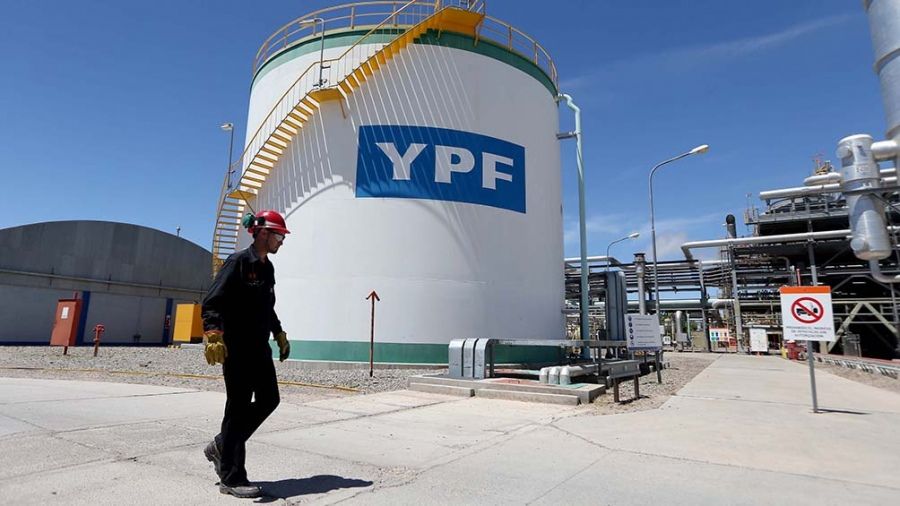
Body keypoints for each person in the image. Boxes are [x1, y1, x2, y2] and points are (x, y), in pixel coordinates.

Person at [200, 210, 292, 498]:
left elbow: (267, 306)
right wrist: (213, 333)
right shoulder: (237, 262)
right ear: (263, 232)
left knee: (270, 399)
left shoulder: (267, 268)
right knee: (238, 408)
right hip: (237, 347)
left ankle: (221, 444)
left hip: (259, 347)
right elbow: (212, 301)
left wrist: (278, 332)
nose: (282, 241)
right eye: (279, 235)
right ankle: (231, 477)